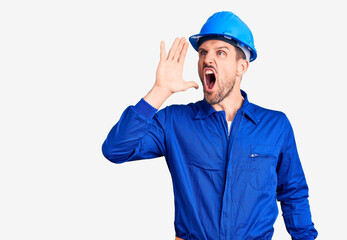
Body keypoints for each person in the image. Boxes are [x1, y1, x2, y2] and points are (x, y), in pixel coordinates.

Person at [102, 11, 318, 240]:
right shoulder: (174, 122)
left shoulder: (275, 126)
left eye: (220, 52)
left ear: (241, 67)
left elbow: (293, 193)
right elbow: (116, 150)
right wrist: (160, 91)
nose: (207, 59)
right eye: (203, 52)